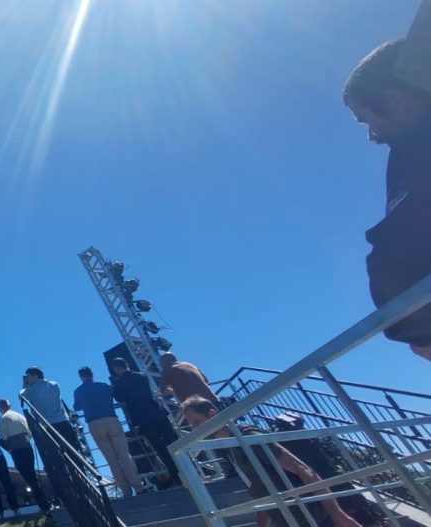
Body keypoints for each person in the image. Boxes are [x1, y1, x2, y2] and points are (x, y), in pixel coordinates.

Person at [343, 27, 431, 361]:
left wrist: (413, 326)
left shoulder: (416, 148)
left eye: (367, 119)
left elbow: (407, 231)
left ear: (395, 97)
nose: (371, 134)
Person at [182, 396, 362, 527]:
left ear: (212, 414)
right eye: (191, 425)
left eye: (197, 422)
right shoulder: (230, 447)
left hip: (311, 517)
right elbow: (260, 490)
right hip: (288, 519)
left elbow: (302, 469)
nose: (195, 429)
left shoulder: (247, 436)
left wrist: (338, 515)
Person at [109, 358, 181, 487]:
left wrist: (115, 387)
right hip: (158, 413)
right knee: (174, 441)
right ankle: (188, 468)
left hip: (142, 419)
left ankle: (175, 475)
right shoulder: (142, 376)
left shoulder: (119, 384)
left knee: (160, 448)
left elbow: (119, 398)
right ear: (127, 364)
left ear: (116, 368)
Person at [73, 367, 143, 497]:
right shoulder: (104, 386)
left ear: (81, 376)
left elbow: (77, 407)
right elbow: (115, 397)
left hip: (94, 423)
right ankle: (138, 485)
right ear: (92, 374)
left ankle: (125, 490)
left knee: (111, 460)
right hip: (111, 419)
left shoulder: (78, 391)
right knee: (124, 454)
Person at [0, 399, 51, 513]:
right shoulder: (20, 416)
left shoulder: (3, 418)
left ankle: (44, 504)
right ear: (9, 405)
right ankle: (44, 502)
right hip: (27, 446)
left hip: (17, 450)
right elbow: (29, 433)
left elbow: (4, 437)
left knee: (29, 478)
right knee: (32, 476)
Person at [19, 367, 83, 457]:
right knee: (73, 450)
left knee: (56, 454)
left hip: (48, 426)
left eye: (28, 376)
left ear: (35, 375)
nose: (27, 379)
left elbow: (21, 396)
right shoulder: (54, 384)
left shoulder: (32, 390)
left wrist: (25, 386)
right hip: (64, 422)